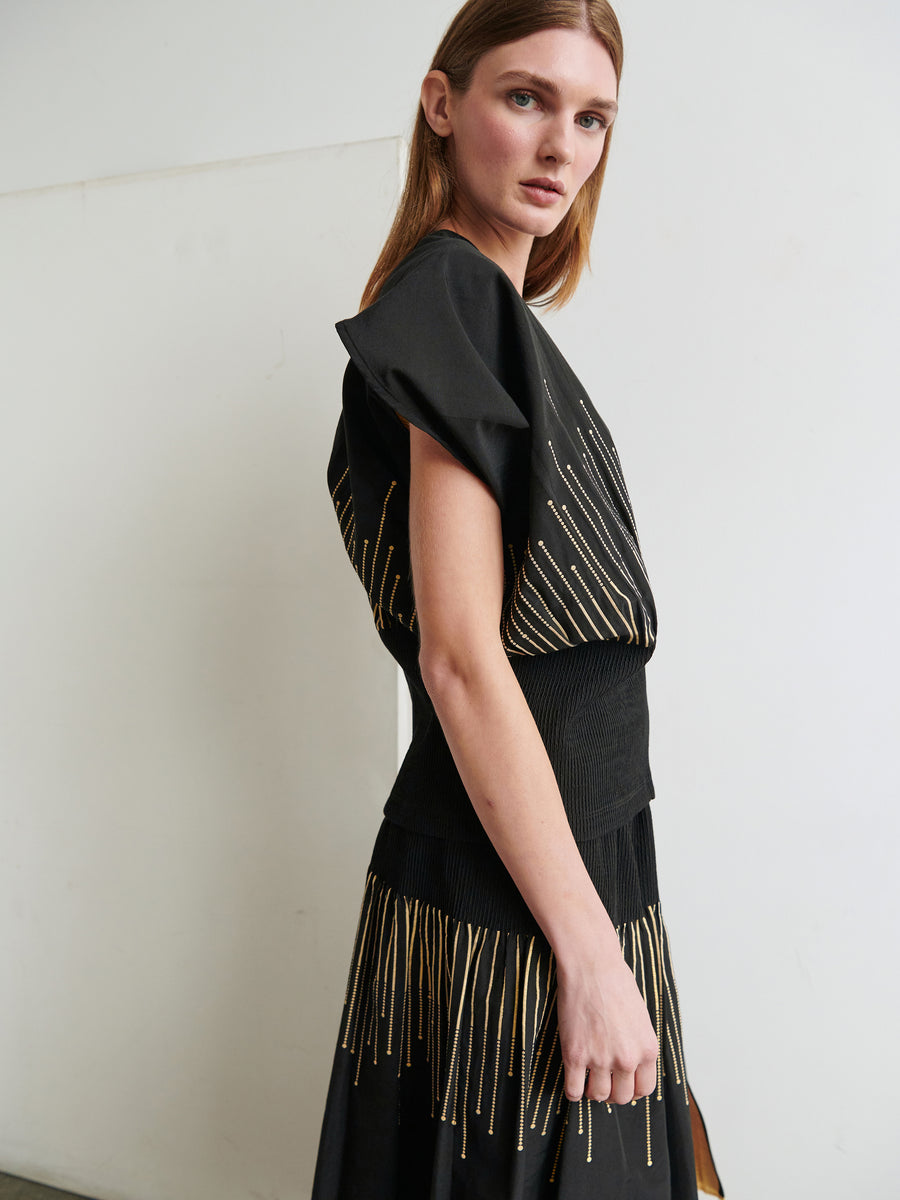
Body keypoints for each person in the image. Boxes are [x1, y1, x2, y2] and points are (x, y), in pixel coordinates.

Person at [314, 1, 725, 1195]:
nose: (563, 147)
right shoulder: (453, 303)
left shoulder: (488, 317)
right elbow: (460, 658)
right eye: (526, 97)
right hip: (526, 897)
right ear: (443, 105)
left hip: (558, 863)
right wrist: (592, 956)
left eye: (592, 116)